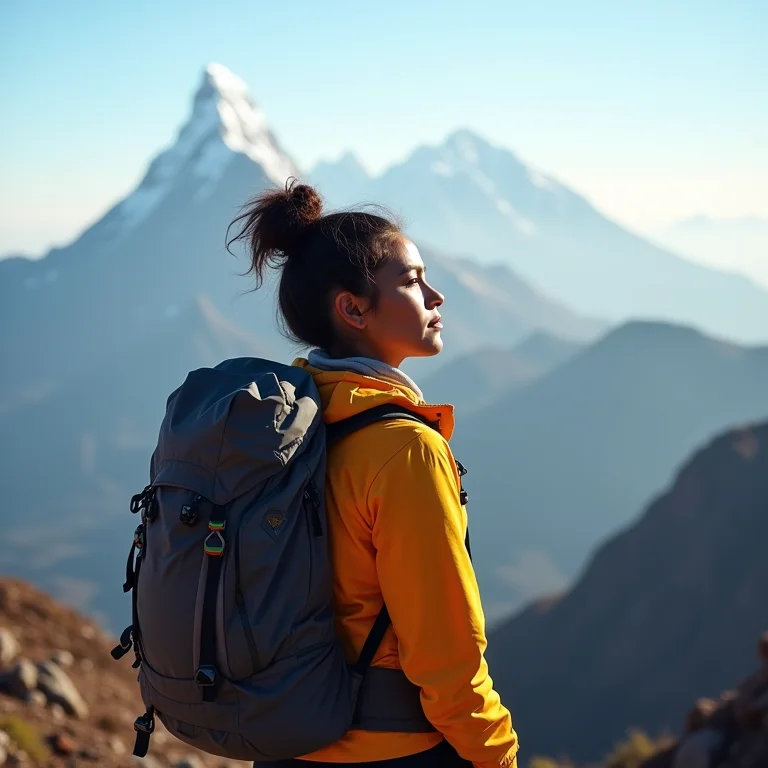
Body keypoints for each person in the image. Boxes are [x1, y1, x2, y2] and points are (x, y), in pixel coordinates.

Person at [227, 180, 519, 768]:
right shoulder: (405, 450)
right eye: (412, 281)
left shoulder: (283, 427)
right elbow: (445, 654)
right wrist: (497, 755)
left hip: (284, 740)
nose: (436, 295)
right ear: (353, 309)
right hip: (389, 749)